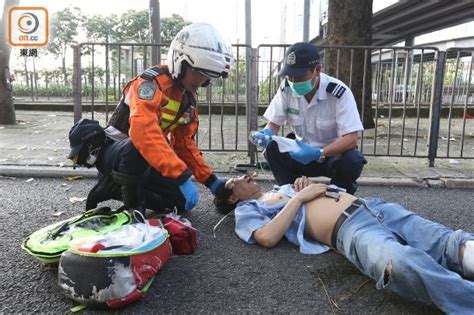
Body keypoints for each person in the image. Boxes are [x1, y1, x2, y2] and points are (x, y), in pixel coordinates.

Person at [214, 175, 474, 314]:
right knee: (400, 263)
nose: (244, 176)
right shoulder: (248, 210)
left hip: (374, 207)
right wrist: (299, 198)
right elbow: (267, 237)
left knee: (452, 244)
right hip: (350, 229)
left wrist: (309, 184)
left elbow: (326, 189)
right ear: (233, 198)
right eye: (235, 180)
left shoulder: (281, 187)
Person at [68, 22, 234, 212]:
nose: (201, 80)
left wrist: (212, 182)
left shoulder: (188, 99)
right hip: (118, 152)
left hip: (147, 158)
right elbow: (143, 131)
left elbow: (184, 144)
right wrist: (180, 174)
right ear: (181, 63)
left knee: (182, 202)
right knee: (138, 144)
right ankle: (130, 206)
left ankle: (119, 190)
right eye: (197, 72)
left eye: (207, 76)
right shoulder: (150, 83)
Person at [253, 42, 366, 194]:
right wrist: (266, 134)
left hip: (330, 156)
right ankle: (290, 193)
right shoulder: (286, 89)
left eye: (299, 76)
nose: (293, 81)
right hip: (300, 153)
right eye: (289, 76)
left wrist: (319, 153)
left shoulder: (339, 92)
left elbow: (351, 139)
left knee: (353, 159)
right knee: (272, 148)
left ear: (317, 70)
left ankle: (337, 195)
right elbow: (273, 123)